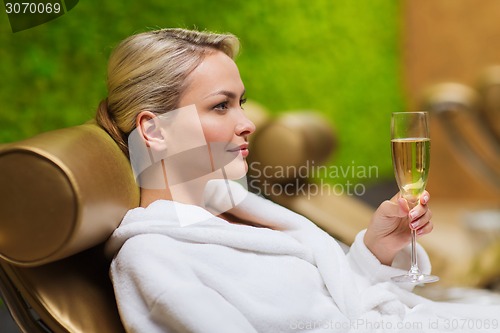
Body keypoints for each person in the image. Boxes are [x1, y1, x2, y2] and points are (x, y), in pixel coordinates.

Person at [98, 28, 499, 332]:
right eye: (220, 106)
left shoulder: (234, 207)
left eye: (241, 102)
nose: (247, 123)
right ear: (154, 130)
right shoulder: (152, 257)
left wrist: (375, 250)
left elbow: (332, 299)